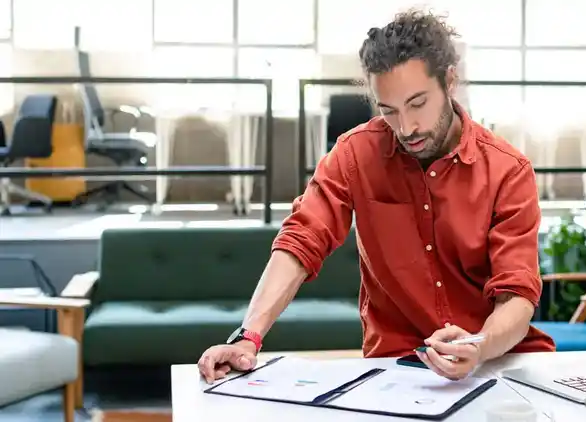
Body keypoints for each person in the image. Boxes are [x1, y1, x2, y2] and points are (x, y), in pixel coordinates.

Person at [198, 9, 555, 384]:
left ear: (450, 80)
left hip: (501, 362)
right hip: (397, 367)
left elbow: (517, 294)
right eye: (389, 111)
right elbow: (301, 240)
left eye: (418, 103)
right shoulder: (355, 154)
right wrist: (248, 336)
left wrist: (479, 345)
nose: (406, 127)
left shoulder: (507, 170)